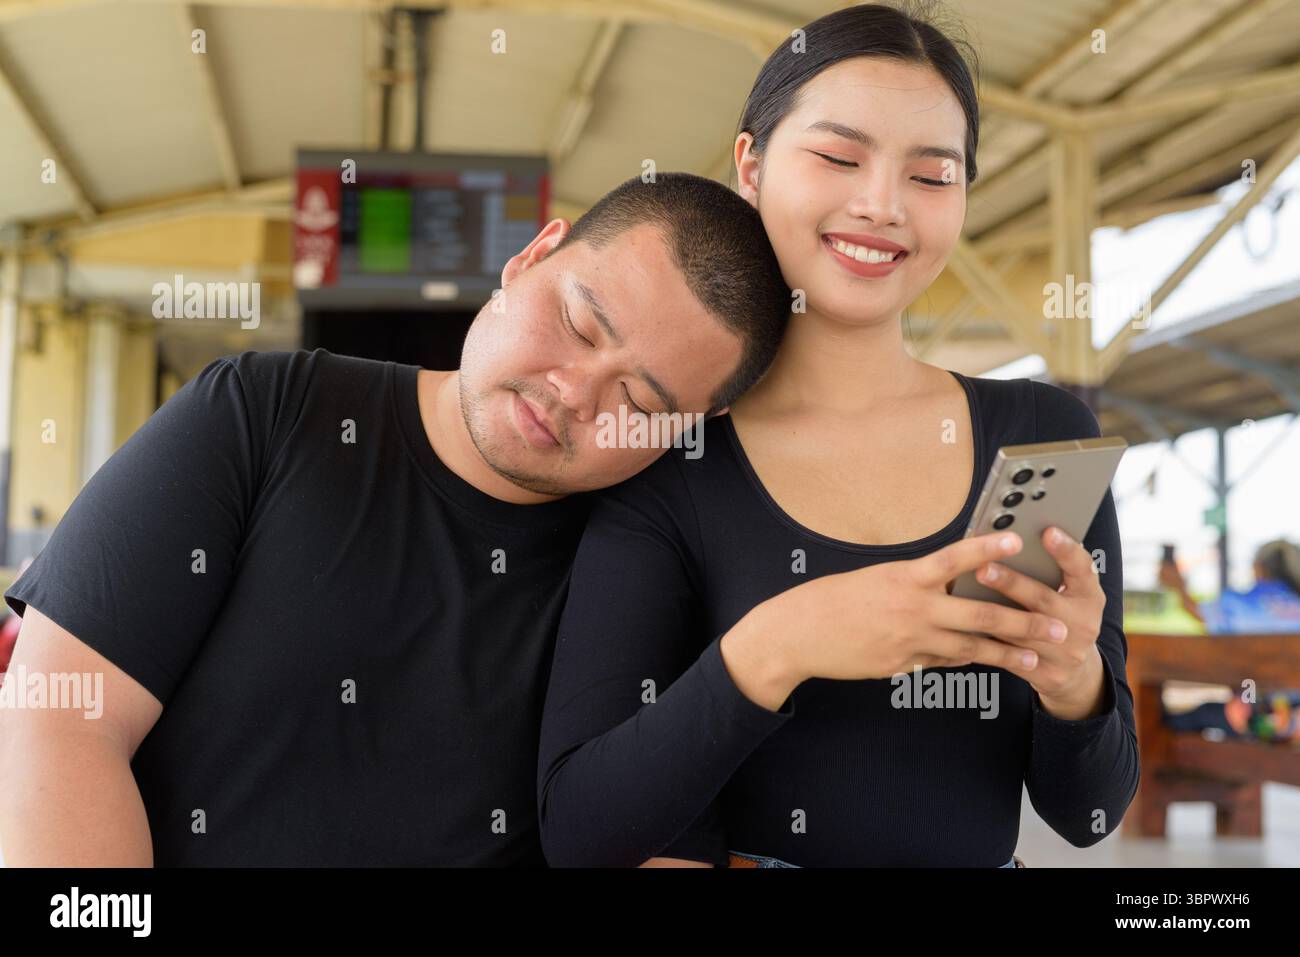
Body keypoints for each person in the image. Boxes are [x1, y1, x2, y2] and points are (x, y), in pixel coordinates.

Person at [0, 172, 792, 865]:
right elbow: (61, 722)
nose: (576, 390)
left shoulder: (647, 577)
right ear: (532, 255)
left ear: (692, 428)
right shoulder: (265, 413)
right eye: (580, 324)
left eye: (641, 402)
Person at [537, 3, 1139, 868]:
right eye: (836, 156)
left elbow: (1088, 815)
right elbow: (583, 823)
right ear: (751, 164)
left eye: (933, 176)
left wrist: (1071, 676)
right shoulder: (669, 455)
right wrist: (781, 644)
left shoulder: (1041, 437)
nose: (882, 205)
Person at [1160, 540, 1300, 744]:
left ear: (1259, 567)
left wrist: (1177, 585)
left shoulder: (1238, 603)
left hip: (1253, 715)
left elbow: (1197, 611)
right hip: (1294, 717)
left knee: (1187, 718)